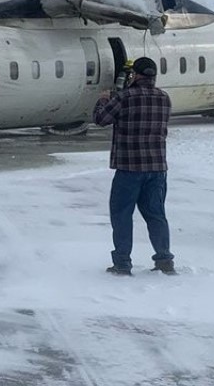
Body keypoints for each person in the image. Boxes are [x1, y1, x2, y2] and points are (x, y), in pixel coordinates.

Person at [92, 57, 175, 276]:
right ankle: (164, 259)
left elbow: (101, 119)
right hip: (157, 168)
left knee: (121, 215)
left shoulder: (124, 97)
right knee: (156, 215)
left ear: (136, 75)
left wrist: (102, 100)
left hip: (129, 168)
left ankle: (122, 263)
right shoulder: (164, 98)